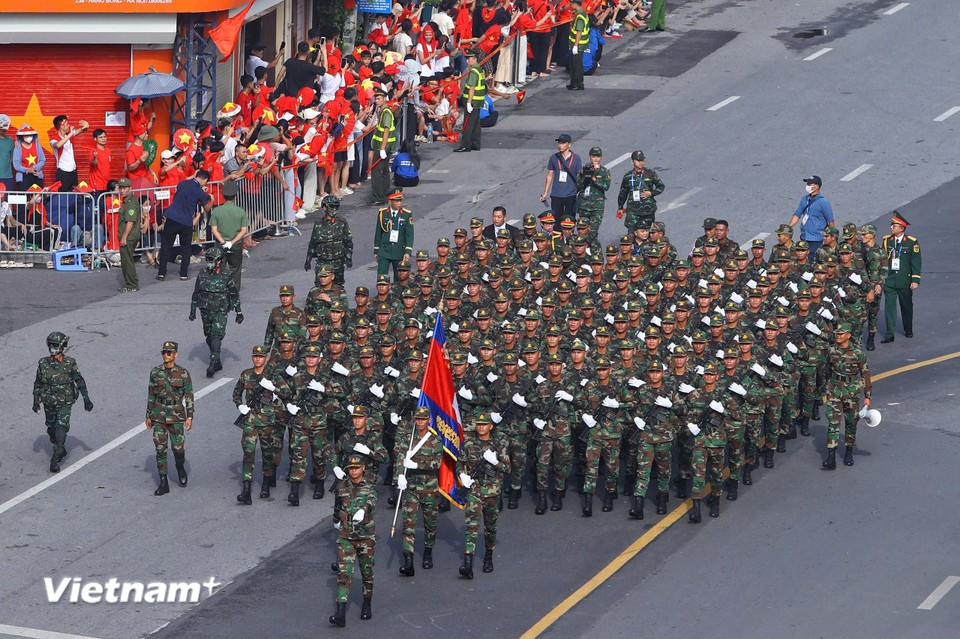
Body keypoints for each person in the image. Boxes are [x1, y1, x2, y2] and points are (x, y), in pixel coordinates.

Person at [232, 345, 292, 503]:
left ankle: (265, 484)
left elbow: (287, 393)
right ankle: (246, 490)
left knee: (267, 453)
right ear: (252, 357)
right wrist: (240, 405)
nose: (258, 359)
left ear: (266, 358)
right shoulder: (246, 375)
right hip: (250, 420)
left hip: (267, 421)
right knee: (248, 453)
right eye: (255, 356)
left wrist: (273, 388)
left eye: (261, 356)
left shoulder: (273, 375)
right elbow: (236, 392)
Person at [32, 332, 93, 473]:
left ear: (61, 346)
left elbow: (80, 381)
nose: (51, 348)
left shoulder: (69, 363)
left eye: (54, 345)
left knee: (61, 428)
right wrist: (36, 402)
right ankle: (60, 449)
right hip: (49, 401)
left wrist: (86, 399)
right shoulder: (43, 363)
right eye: (50, 345)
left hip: (65, 401)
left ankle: (54, 460)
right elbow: (37, 383)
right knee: (51, 430)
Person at [457, 412, 509, 577]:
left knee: (490, 526)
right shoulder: (469, 444)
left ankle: (488, 556)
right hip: (474, 492)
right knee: (472, 526)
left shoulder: (498, 445)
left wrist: (495, 462)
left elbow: (508, 468)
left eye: (484, 424)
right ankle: (468, 564)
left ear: (490, 427)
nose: (481, 427)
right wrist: (462, 476)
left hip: (492, 492)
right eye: (479, 424)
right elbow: (459, 462)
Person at [329, 453, 378, 627]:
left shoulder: (370, 486)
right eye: (351, 469)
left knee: (367, 573)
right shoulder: (341, 486)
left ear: (363, 468)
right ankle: (340, 613)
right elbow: (337, 506)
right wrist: (336, 521)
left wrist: (364, 510)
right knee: (344, 574)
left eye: (357, 468)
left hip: (365, 537)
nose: (354, 471)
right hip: (346, 537)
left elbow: (372, 501)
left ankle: (366, 603)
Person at [395, 406, 442, 576]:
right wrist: (399, 475)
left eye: (423, 419)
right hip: (411, 488)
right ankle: (408, 562)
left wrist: (418, 465)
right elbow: (400, 457)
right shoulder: (407, 439)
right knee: (408, 524)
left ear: (429, 420)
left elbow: (437, 463)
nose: (420, 422)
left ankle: (428, 553)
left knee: (430, 524)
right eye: (418, 419)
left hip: (429, 488)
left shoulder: (435, 440)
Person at [145, 341, 195, 496]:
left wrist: (190, 416)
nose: (166, 355)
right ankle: (163, 482)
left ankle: (180, 467)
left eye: (169, 352)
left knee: (178, 448)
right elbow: (151, 394)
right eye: (164, 352)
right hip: (159, 414)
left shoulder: (183, 373)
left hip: (177, 415)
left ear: (176, 354)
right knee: (160, 449)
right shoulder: (155, 372)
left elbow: (189, 396)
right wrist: (148, 414)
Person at [822, 322, 872, 469]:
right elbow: (826, 369)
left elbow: (865, 374)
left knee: (851, 422)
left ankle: (849, 451)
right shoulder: (831, 350)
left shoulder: (858, 353)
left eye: (841, 334)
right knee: (833, 422)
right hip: (834, 390)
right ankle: (831, 456)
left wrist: (867, 396)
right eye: (837, 334)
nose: (838, 336)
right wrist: (825, 388)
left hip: (851, 392)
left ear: (848, 335)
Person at [190, 246, 243, 377]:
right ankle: (217, 358)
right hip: (206, 310)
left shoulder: (226, 276)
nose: (211, 263)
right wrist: (192, 311)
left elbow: (234, 294)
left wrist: (239, 312)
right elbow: (196, 293)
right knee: (208, 335)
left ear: (219, 261)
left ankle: (213, 362)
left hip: (220, 310)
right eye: (209, 260)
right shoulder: (202, 274)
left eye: (214, 260)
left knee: (216, 335)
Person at [157, 170, 212, 282]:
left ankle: (161, 273)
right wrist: (211, 198)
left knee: (166, 246)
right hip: (186, 221)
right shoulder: (200, 192)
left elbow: (182, 191)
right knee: (186, 248)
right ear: (205, 179)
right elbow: (206, 208)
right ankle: (183, 274)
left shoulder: (182, 183)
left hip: (171, 217)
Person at [880, 211, 921, 343]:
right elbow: (883, 260)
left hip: (904, 279)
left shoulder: (911, 242)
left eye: (894, 225)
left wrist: (915, 280)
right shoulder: (887, 240)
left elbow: (916, 261)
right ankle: (889, 334)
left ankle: (908, 329)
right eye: (892, 225)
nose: (891, 227)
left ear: (901, 228)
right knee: (889, 308)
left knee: (906, 306)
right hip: (890, 280)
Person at [305, 195, 354, 286]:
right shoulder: (318, 224)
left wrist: (349, 258)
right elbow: (312, 243)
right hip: (322, 262)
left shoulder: (342, 222)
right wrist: (308, 261)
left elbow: (348, 242)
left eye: (336, 207)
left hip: (337, 262)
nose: (334, 209)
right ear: (324, 207)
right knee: (320, 287)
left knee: (337, 288)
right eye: (332, 206)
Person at [209, 179, 249, 290]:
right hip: (235, 244)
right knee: (235, 269)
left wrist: (223, 242)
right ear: (235, 196)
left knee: (219, 269)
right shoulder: (240, 211)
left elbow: (214, 230)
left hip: (220, 245)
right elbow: (244, 230)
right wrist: (231, 242)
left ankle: (220, 291)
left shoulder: (216, 211)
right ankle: (234, 293)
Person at [616, 149, 664, 232]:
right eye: (638, 160)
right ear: (632, 161)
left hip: (648, 210)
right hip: (633, 210)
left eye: (642, 160)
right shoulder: (628, 176)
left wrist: (651, 193)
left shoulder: (650, 173)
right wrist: (620, 207)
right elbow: (623, 192)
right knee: (631, 234)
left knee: (647, 234)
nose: (640, 162)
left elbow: (661, 186)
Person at [787, 175, 834, 255]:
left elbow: (830, 222)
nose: (807, 186)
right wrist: (788, 228)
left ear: (817, 187)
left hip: (816, 239)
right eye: (807, 184)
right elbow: (797, 214)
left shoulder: (823, 202)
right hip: (804, 236)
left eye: (810, 184)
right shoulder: (804, 199)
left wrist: (831, 238)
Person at [540, 134, 582, 223]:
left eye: (563, 143)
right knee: (557, 221)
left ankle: (568, 237)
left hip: (571, 194)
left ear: (569, 145)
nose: (560, 145)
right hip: (556, 194)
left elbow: (580, 176)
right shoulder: (554, 158)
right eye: (559, 143)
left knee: (569, 220)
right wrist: (545, 192)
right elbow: (550, 174)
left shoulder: (576, 158)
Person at [373, 187, 414, 279]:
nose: (399, 203)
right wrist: (376, 250)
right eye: (396, 201)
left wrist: (408, 251)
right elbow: (378, 232)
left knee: (399, 278)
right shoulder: (382, 213)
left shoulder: (407, 214)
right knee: (381, 277)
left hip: (399, 250)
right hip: (384, 250)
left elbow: (409, 234)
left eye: (400, 200)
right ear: (390, 201)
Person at [575, 146, 611, 240]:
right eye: (593, 156)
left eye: (598, 156)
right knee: (583, 231)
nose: (595, 158)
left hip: (597, 207)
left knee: (593, 231)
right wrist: (583, 176)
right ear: (589, 157)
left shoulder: (604, 171)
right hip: (584, 205)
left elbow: (606, 187)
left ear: (601, 158)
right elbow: (577, 187)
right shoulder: (584, 169)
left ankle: (593, 250)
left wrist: (594, 179)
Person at [454, 49, 486, 153]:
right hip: (479, 101)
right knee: (476, 123)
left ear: (475, 59)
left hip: (472, 101)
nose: (467, 61)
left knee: (467, 124)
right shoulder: (480, 70)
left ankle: (465, 145)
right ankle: (476, 144)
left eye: (469, 59)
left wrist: (468, 102)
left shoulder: (473, 72)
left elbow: (472, 88)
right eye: (467, 59)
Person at [370, 88, 397, 204]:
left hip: (382, 147)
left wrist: (382, 148)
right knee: (384, 171)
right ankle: (385, 193)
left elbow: (386, 131)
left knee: (377, 172)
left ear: (384, 99)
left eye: (378, 99)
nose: (376, 101)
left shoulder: (386, 112)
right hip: (386, 147)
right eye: (375, 99)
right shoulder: (383, 111)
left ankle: (378, 197)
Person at [50, 115, 89, 192]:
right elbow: (58, 145)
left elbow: (83, 130)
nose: (69, 125)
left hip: (73, 171)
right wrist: (70, 134)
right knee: (63, 196)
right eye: (67, 124)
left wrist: (86, 125)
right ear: (61, 126)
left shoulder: (68, 135)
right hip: (63, 172)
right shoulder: (54, 138)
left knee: (74, 194)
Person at [116, 177, 142, 293]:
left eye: (124, 188)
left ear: (130, 188)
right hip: (129, 236)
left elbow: (130, 222)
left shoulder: (131, 203)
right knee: (127, 260)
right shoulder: (127, 201)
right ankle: (132, 282)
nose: (122, 190)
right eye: (120, 188)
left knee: (127, 261)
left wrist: (124, 237)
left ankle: (131, 284)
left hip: (129, 237)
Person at [13, 124, 46, 190]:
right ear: (22, 136)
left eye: (31, 135)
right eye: (27, 135)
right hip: (23, 177)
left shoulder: (37, 146)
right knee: (24, 199)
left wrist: (34, 168)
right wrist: (27, 170)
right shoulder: (18, 148)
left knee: (38, 198)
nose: (29, 137)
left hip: (36, 175)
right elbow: (16, 165)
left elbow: (43, 160)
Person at [567, 0, 589, 91]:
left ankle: (578, 83)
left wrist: (575, 45)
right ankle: (574, 83)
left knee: (576, 65)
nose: (571, 5)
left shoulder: (580, 16)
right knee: (573, 64)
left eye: (572, 3)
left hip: (578, 45)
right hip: (579, 44)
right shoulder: (582, 13)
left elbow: (579, 32)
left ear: (575, 4)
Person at [88, 129, 112, 195]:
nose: (103, 139)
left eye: (104, 137)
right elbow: (93, 164)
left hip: (106, 183)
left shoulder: (108, 150)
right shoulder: (93, 151)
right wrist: (95, 157)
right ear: (95, 139)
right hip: (97, 184)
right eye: (101, 137)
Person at [0, 114, 17, 191]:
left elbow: (12, 158)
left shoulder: (10, 140)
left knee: (7, 200)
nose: (5, 131)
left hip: (7, 176)